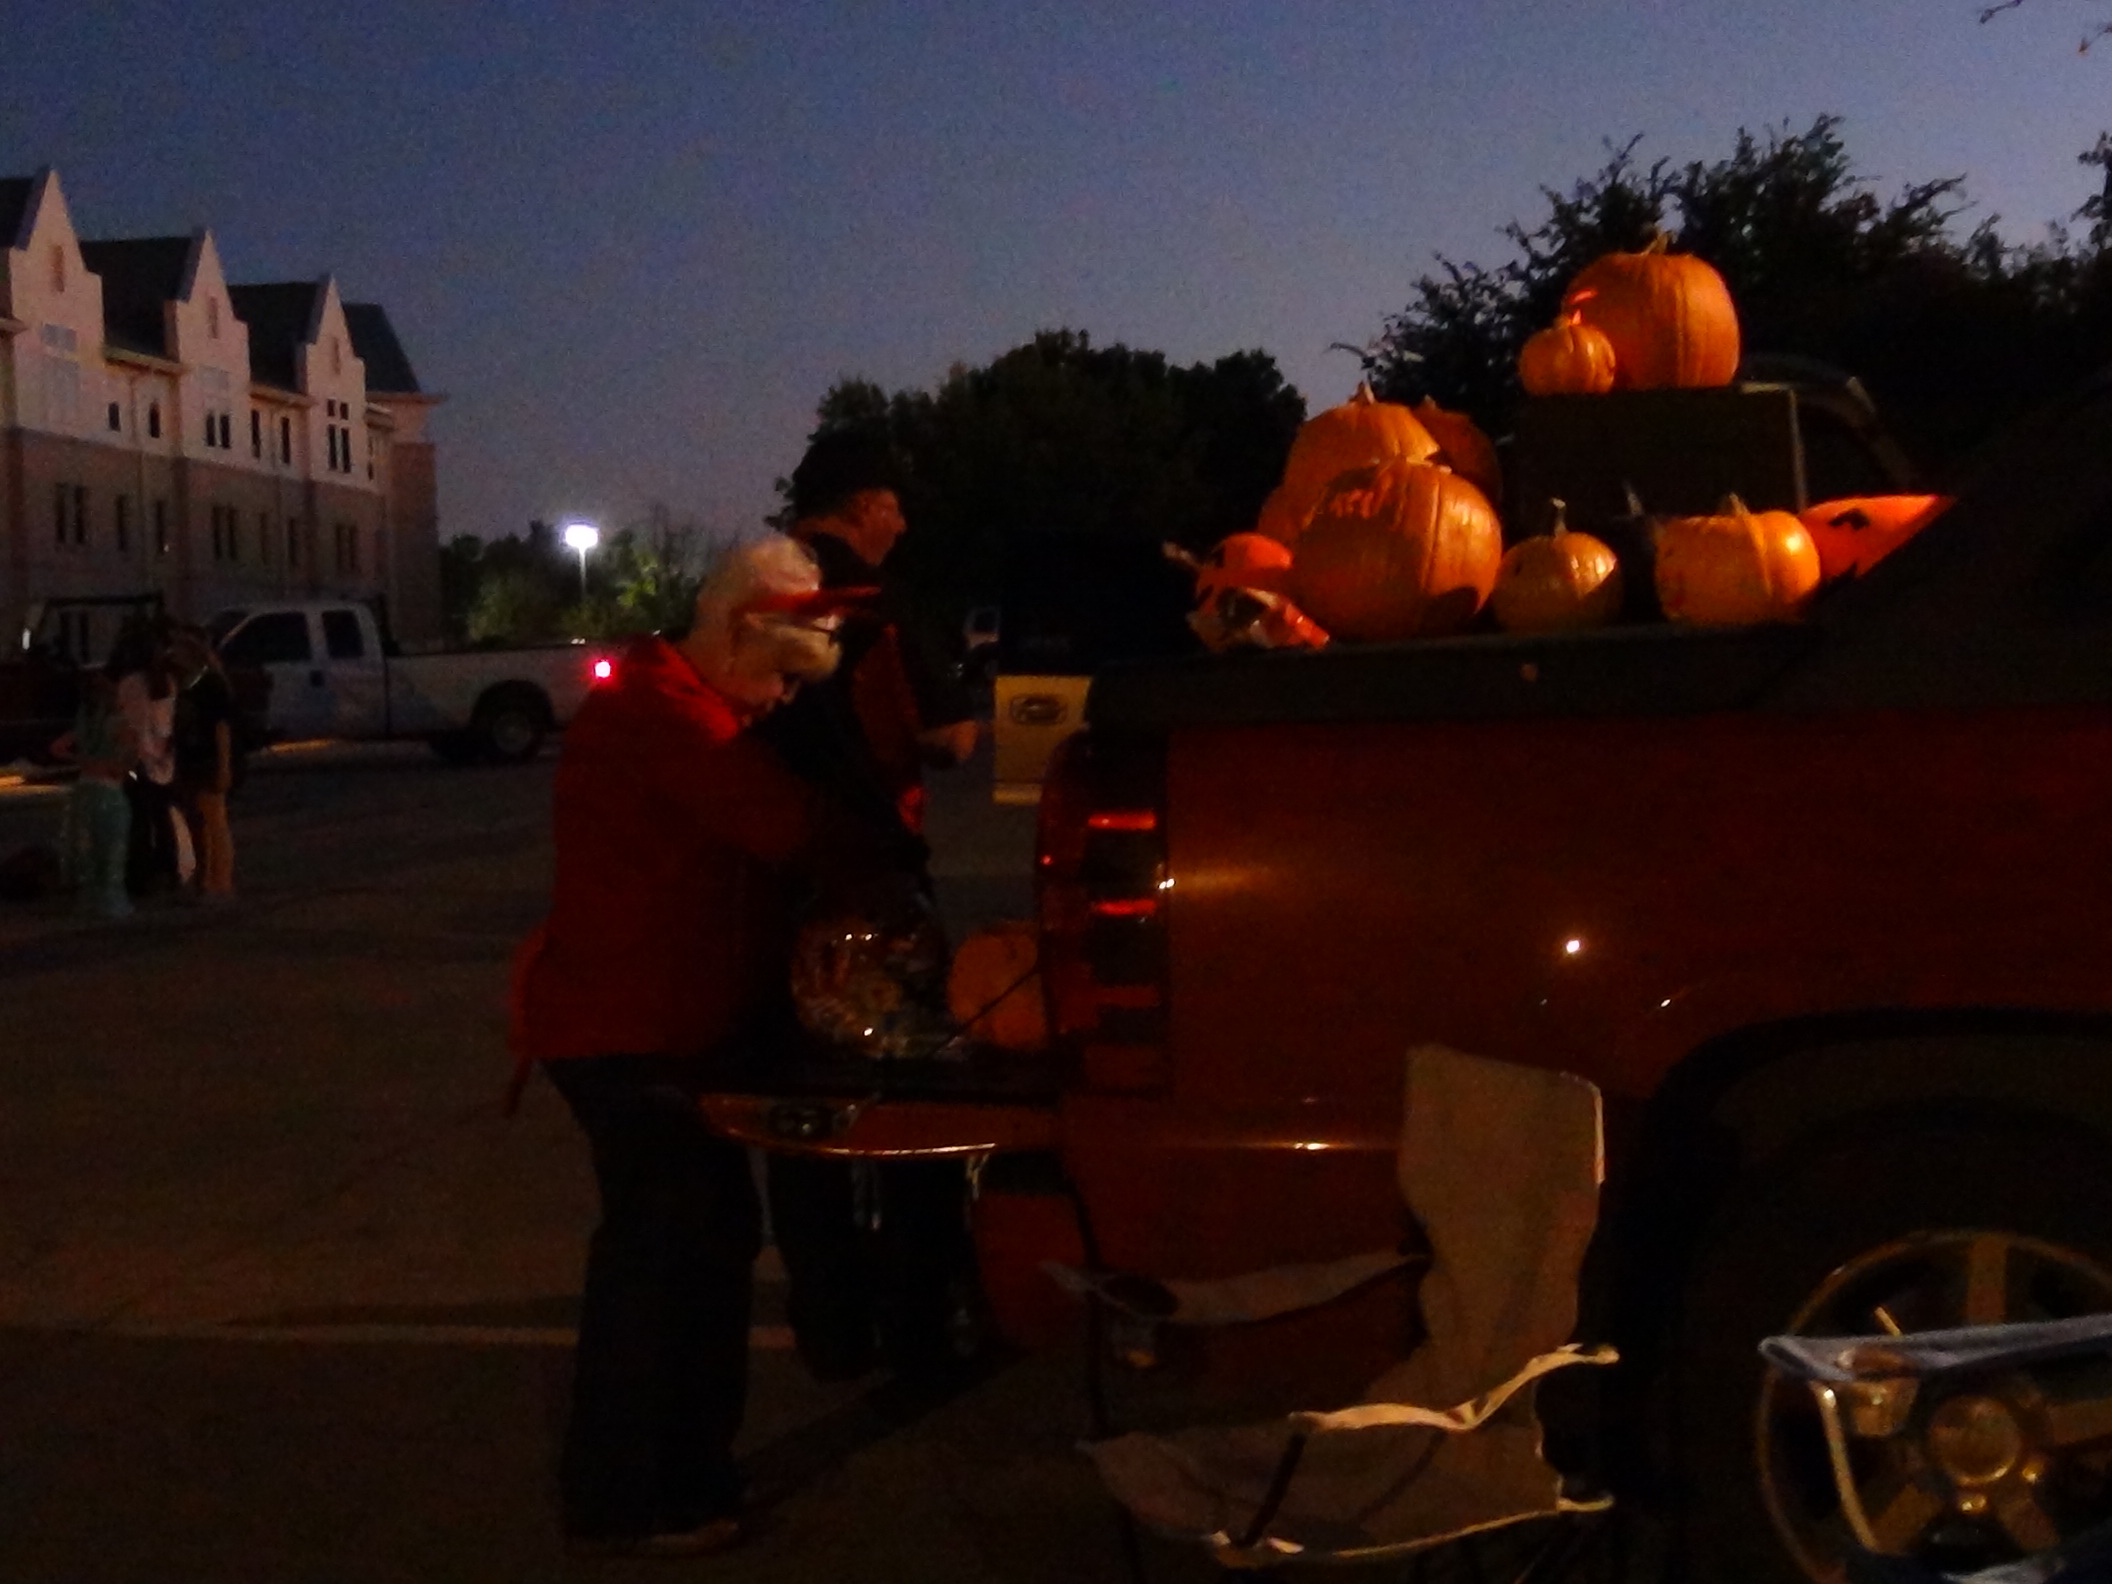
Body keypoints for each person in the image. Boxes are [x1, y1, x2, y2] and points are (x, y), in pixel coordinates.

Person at [510, 535, 883, 1559]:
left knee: (694, 1248)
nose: (777, 702)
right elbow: (786, 826)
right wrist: (878, 830)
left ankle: (669, 1477)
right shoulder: (664, 715)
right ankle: (636, 1492)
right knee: (668, 1259)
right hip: (626, 1034)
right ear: (734, 632)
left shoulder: (689, 702)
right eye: (778, 676)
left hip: (662, 1029)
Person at [756, 432, 984, 1384]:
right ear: (861, 506)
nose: (904, 521)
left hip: (767, 890)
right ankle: (919, 1328)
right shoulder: (883, 611)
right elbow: (953, 739)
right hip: (874, 889)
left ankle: (831, 1323)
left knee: (799, 1117)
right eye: (895, 503)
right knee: (910, 1116)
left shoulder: (752, 599)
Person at [51, 666, 139, 919]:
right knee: (111, 849)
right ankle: (111, 901)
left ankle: (89, 899)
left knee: (87, 849)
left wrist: (81, 759)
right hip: (109, 791)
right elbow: (129, 758)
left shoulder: (84, 721)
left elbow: (57, 747)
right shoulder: (119, 723)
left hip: (84, 788)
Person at [168, 627, 238, 901]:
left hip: (208, 758)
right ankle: (204, 878)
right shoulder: (189, 684)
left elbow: (221, 728)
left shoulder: (211, 685)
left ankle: (219, 880)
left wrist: (224, 764)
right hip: (191, 758)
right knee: (197, 822)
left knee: (214, 820)